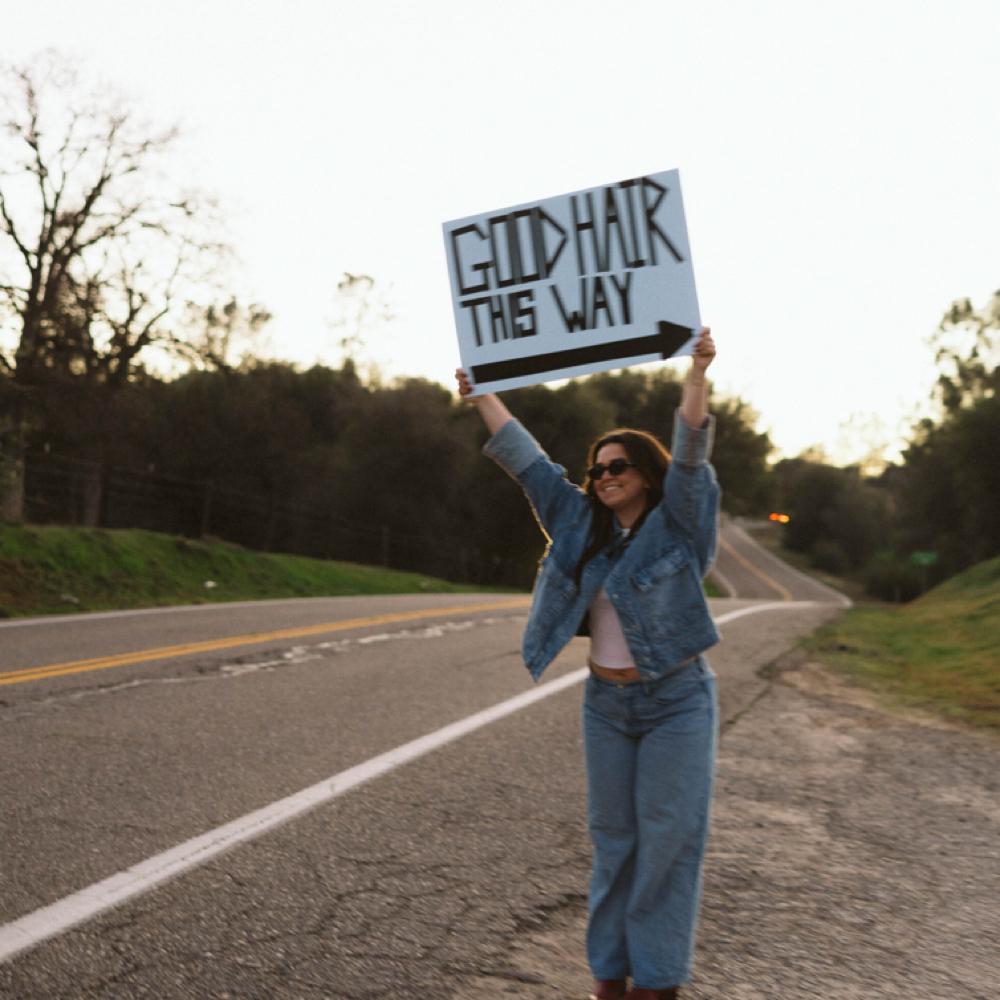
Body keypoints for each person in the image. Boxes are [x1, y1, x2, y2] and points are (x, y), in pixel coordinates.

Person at [455, 328, 720, 1000]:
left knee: (668, 844)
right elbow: (528, 462)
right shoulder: (576, 522)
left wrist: (697, 372)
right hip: (606, 704)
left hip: (677, 701)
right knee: (614, 843)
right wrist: (482, 394)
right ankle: (608, 977)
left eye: (617, 467)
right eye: (597, 468)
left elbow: (691, 452)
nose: (602, 477)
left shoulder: (680, 521)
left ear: (647, 476)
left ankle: (655, 984)